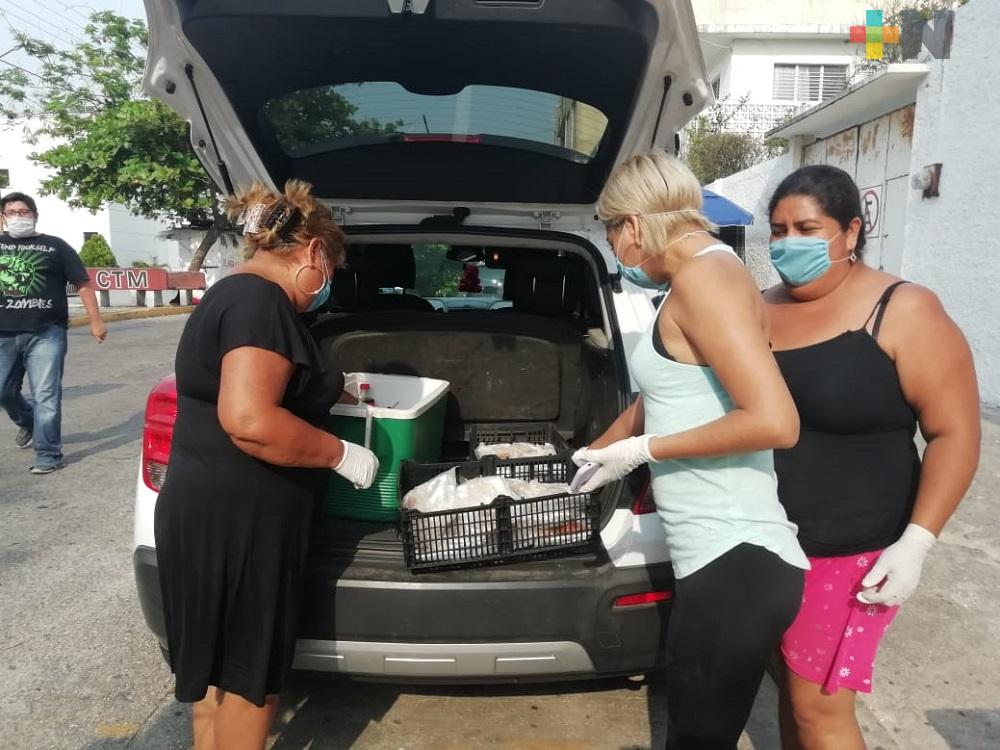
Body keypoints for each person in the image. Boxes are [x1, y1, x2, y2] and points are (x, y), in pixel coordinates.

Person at [573, 150, 809, 749]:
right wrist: (588, 457)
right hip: (715, 558)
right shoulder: (694, 277)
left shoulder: (707, 276)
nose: (612, 248)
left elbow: (777, 421)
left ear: (632, 225)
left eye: (608, 231)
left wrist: (647, 451)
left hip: (736, 556)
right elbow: (661, 395)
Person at [153, 180, 380, 750]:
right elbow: (250, 419)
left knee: (213, 675)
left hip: (203, 511)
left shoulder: (232, 294)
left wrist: (330, 388)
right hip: (243, 524)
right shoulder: (263, 303)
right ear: (313, 253)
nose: (326, 283)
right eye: (332, 266)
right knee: (251, 680)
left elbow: (256, 385)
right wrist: (342, 454)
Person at [764, 164, 980, 750]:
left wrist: (917, 541)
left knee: (820, 709)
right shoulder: (760, 308)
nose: (789, 244)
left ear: (852, 231)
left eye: (807, 228)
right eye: (778, 230)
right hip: (765, 540)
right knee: (789, 688)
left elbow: (954, 433)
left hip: (852, 551)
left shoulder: (903, 309)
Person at [0, 191, 107, 474]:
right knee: (3, 392)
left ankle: (48, 453)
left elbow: (83, 283)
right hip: (3, 334)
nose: (18, 217)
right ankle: (28, 422)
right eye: (12, 213)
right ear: (3, 218)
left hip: (46, 332)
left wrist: (95, 321)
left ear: (35, 215)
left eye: (24, 212)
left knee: (46, 394)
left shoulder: (55, 246)